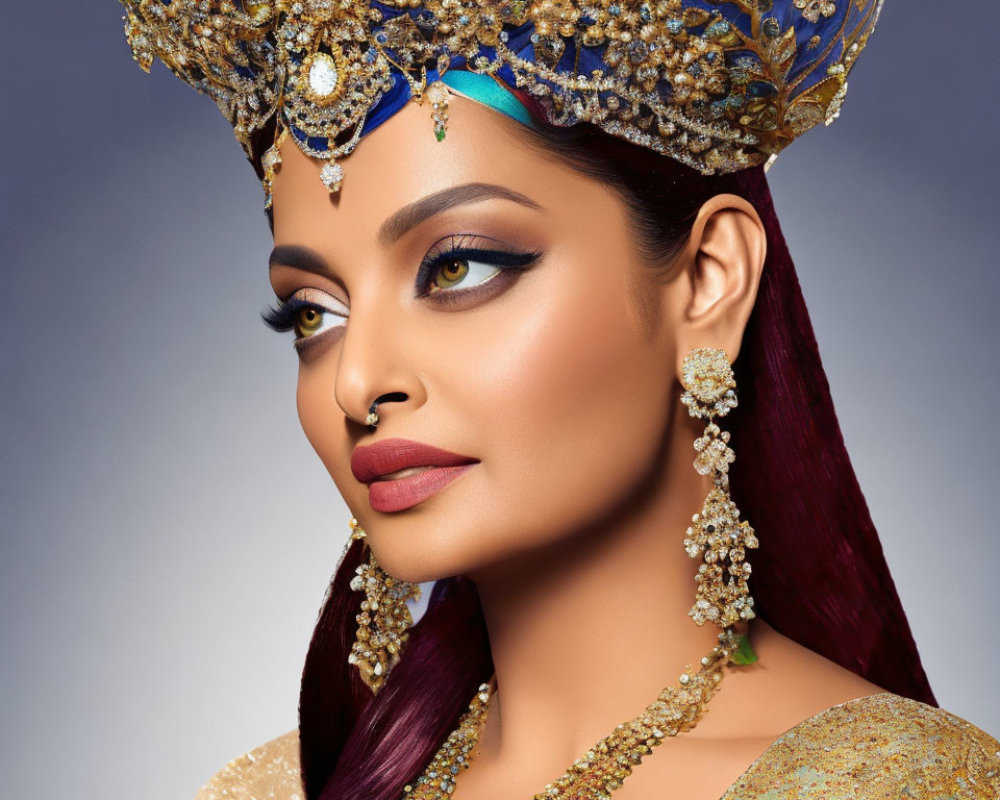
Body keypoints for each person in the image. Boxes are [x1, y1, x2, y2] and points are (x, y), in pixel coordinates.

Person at [120, 1, 1000, 798]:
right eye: (314, 313)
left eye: (457, 267)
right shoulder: (283, 788)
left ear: (706, 282)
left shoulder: (903, 787)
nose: (357, 382)